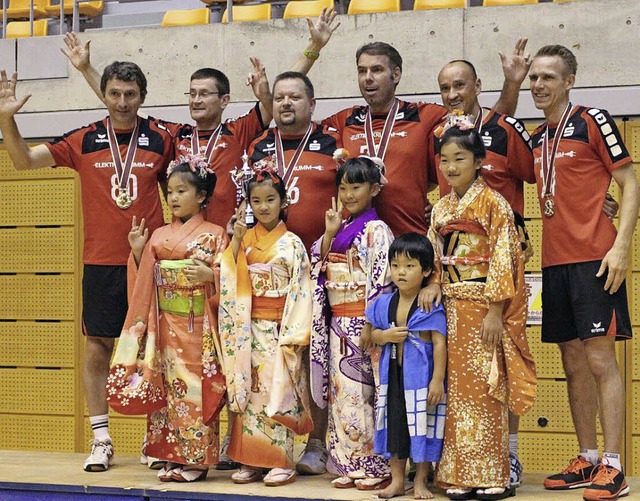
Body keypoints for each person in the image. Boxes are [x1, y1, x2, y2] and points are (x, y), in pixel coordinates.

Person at [0, 64, 173, 472]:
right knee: (98, 348)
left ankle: (158, 438)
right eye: (114, 93)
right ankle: (101, 439)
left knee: (158, 351)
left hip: (148, 261)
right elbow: (23, 161)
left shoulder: (163, 140)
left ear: (142, 97)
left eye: (130, 94)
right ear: (104, 94)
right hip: (99, 263)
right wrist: (6, 118)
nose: (122, 102)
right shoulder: (84, 139)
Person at [527, 45, 638, 501]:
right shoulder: (536, 138)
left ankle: (614, 466)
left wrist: (622, 246)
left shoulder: (593, 119)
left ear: (569, 80)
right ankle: (587, 458)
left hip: (596, 260)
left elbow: (630, 183)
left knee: (599, 361)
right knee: (573, 364)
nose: (538, 85)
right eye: (534, 77)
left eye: (549, 77)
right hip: (555, 265)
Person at [429, 120, 536, 501]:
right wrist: (432, 287)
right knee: (457, 391)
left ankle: (493, 471)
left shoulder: (494, 204)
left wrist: (495, 310)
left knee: (488, 387)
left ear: (479, 161)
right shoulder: (441, 208)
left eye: (460, 158)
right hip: (451, 306)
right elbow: (435, 259)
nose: (451, 167)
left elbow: (506, 257)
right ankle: (460, 471)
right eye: (445, 160)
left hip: (483, 305)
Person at [107, 155, 228, 482]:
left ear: (201, 195)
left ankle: (197, 460)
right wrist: (137, 252)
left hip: (200, 327)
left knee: (195, 390)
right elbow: (145, 280)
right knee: (167, 391)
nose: (173, 198)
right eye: (170, 192)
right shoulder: (159, 236)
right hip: (164, 328)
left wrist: (212, 274)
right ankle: (170, 455)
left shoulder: (215, 235)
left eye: (181, 191)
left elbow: (230, 276)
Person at [218, 164, 313, 487]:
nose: (263, 207)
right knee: (251, 391)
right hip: (248, 329)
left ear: (284, 202)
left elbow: (301, 292)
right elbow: (228, 276)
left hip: (279, 328)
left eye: (270, 199)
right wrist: (235, 242)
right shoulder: (244, 241)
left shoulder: (293, 244)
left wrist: (294, 335)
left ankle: (280, 460)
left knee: (278, 393)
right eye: (256, 201)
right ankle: (251, 459)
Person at [309, 156, 394, 490]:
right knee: (343, 396)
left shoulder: (377, 229)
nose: (347, 194)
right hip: (338, 322)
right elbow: (318, 263)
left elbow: (381, 280)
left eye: (355, 187)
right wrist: (330, 234)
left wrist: (373, 322)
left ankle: (373, 464)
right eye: (342, 188)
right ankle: (347, 462)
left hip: (363, 321)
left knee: (365, 394)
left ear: (374, 189)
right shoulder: (342, 228)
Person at [366, 233, 447, 500]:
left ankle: (422, 480)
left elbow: (439, 344)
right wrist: (383, 336)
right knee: (395, 429)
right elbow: (367, 335)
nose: (401, 272)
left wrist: (437, 381)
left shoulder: (429, 305)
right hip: (394, 378)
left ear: (425, 271)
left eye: (409, 266)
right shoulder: (383, 302)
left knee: (424, 428)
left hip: (422, 379)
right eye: (396, 265)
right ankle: (397, 480)